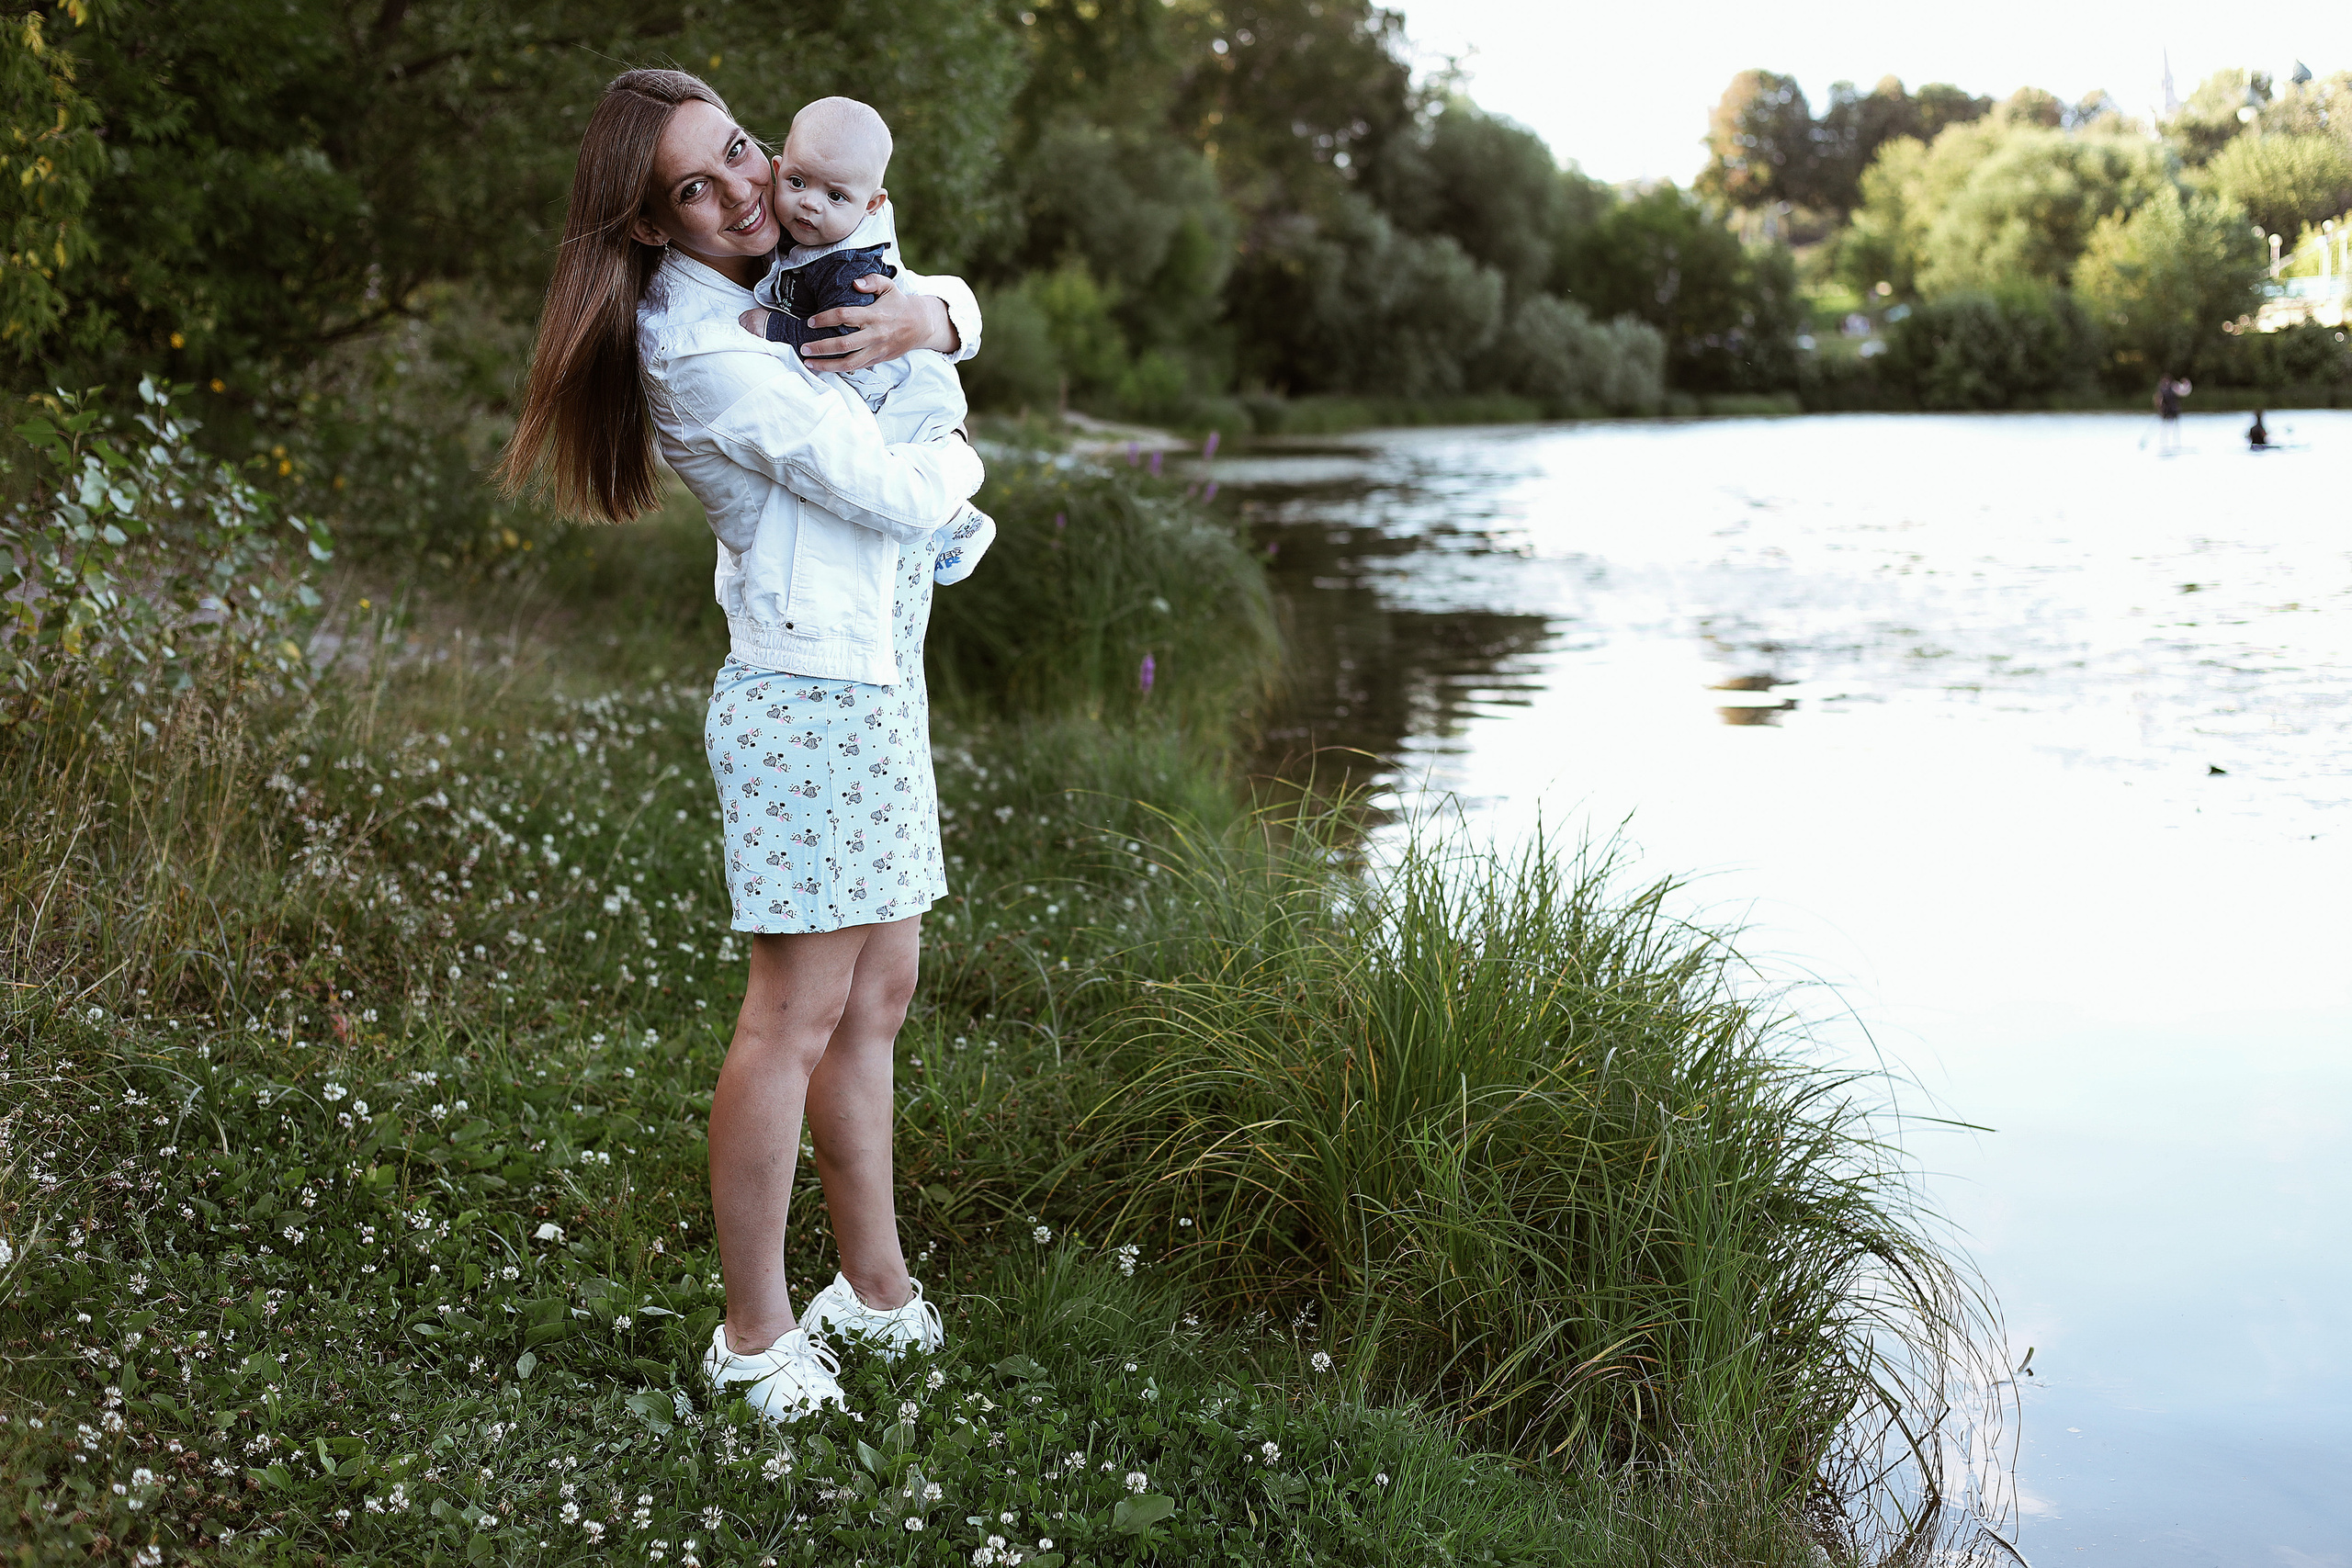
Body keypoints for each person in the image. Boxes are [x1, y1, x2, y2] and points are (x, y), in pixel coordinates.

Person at [497, 68, 984, 1425]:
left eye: (740, 152)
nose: (740, 190)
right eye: (695, 189)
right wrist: (964, 457)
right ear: (655, 224)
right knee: (792, 1017)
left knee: (879, 992)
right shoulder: (698, 345)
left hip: (883, 683)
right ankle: (755, 1331)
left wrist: (940, 312)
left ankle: (873, 1288)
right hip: (806, 703)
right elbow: (891, 485)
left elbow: (922, 284)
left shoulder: (798, 266)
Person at [740, 96, 995, 583]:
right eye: (797, 183)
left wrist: (775, 328)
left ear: (872, 204)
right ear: (777, 171)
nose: (811, 203)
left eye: (836, 196)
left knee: (901, 459)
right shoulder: (805, 238)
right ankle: (955, 524)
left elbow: (842, 331)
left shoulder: (848, 265)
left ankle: (959, 523)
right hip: (874, 385)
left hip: (897, 385)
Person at [2154, 374, 2188, 454]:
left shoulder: (2174, 388)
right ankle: (2164, 445)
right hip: (2166, 411)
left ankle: (2176, 444)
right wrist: (2161, 408)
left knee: (2175, 428)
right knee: (2164, 428)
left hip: (2174, 410)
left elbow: (2183, 392)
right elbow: (2158, 401)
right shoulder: (2162, 390)